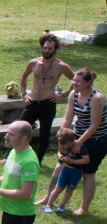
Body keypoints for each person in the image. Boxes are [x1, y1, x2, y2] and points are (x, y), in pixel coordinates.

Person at [19, 33, 74, 164]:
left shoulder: (61, 66)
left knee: (44, 136)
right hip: (32, 102)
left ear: (55, 49)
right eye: (45, 48)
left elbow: (76, 80)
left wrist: (63, 94)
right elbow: (23, 77)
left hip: (48, 104)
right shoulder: (33, 62)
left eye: (50, 48)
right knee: (19, 129)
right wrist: (23, 94)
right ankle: (13, 156)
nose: (46, 50)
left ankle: (37, 162)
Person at [59, 67, 107, 215]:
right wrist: (61, 138)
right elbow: (67, 119)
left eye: (78, 81)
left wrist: (78, 143)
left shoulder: (97, 98)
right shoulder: (74, 94)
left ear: (88, 82)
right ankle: (49, 198)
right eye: (74, 79)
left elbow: (94, 125)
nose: (74, 83)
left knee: (88, 172)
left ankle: (84, 208)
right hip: (77, 137)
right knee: (61, 165)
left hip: (97, 140)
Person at [37, 128, 88, 214]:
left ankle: (62, 205)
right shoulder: (63, 145)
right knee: (58, 188)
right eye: (64, 146)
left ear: (74, 139)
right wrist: (61, 157)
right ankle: (49, 205)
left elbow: (86, 160)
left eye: (68, 145)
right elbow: (60, 152)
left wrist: (72, 161)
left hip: (76, 172)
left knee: (69, 189)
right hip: (65, 170)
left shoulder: (80, 148)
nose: (66, 147)